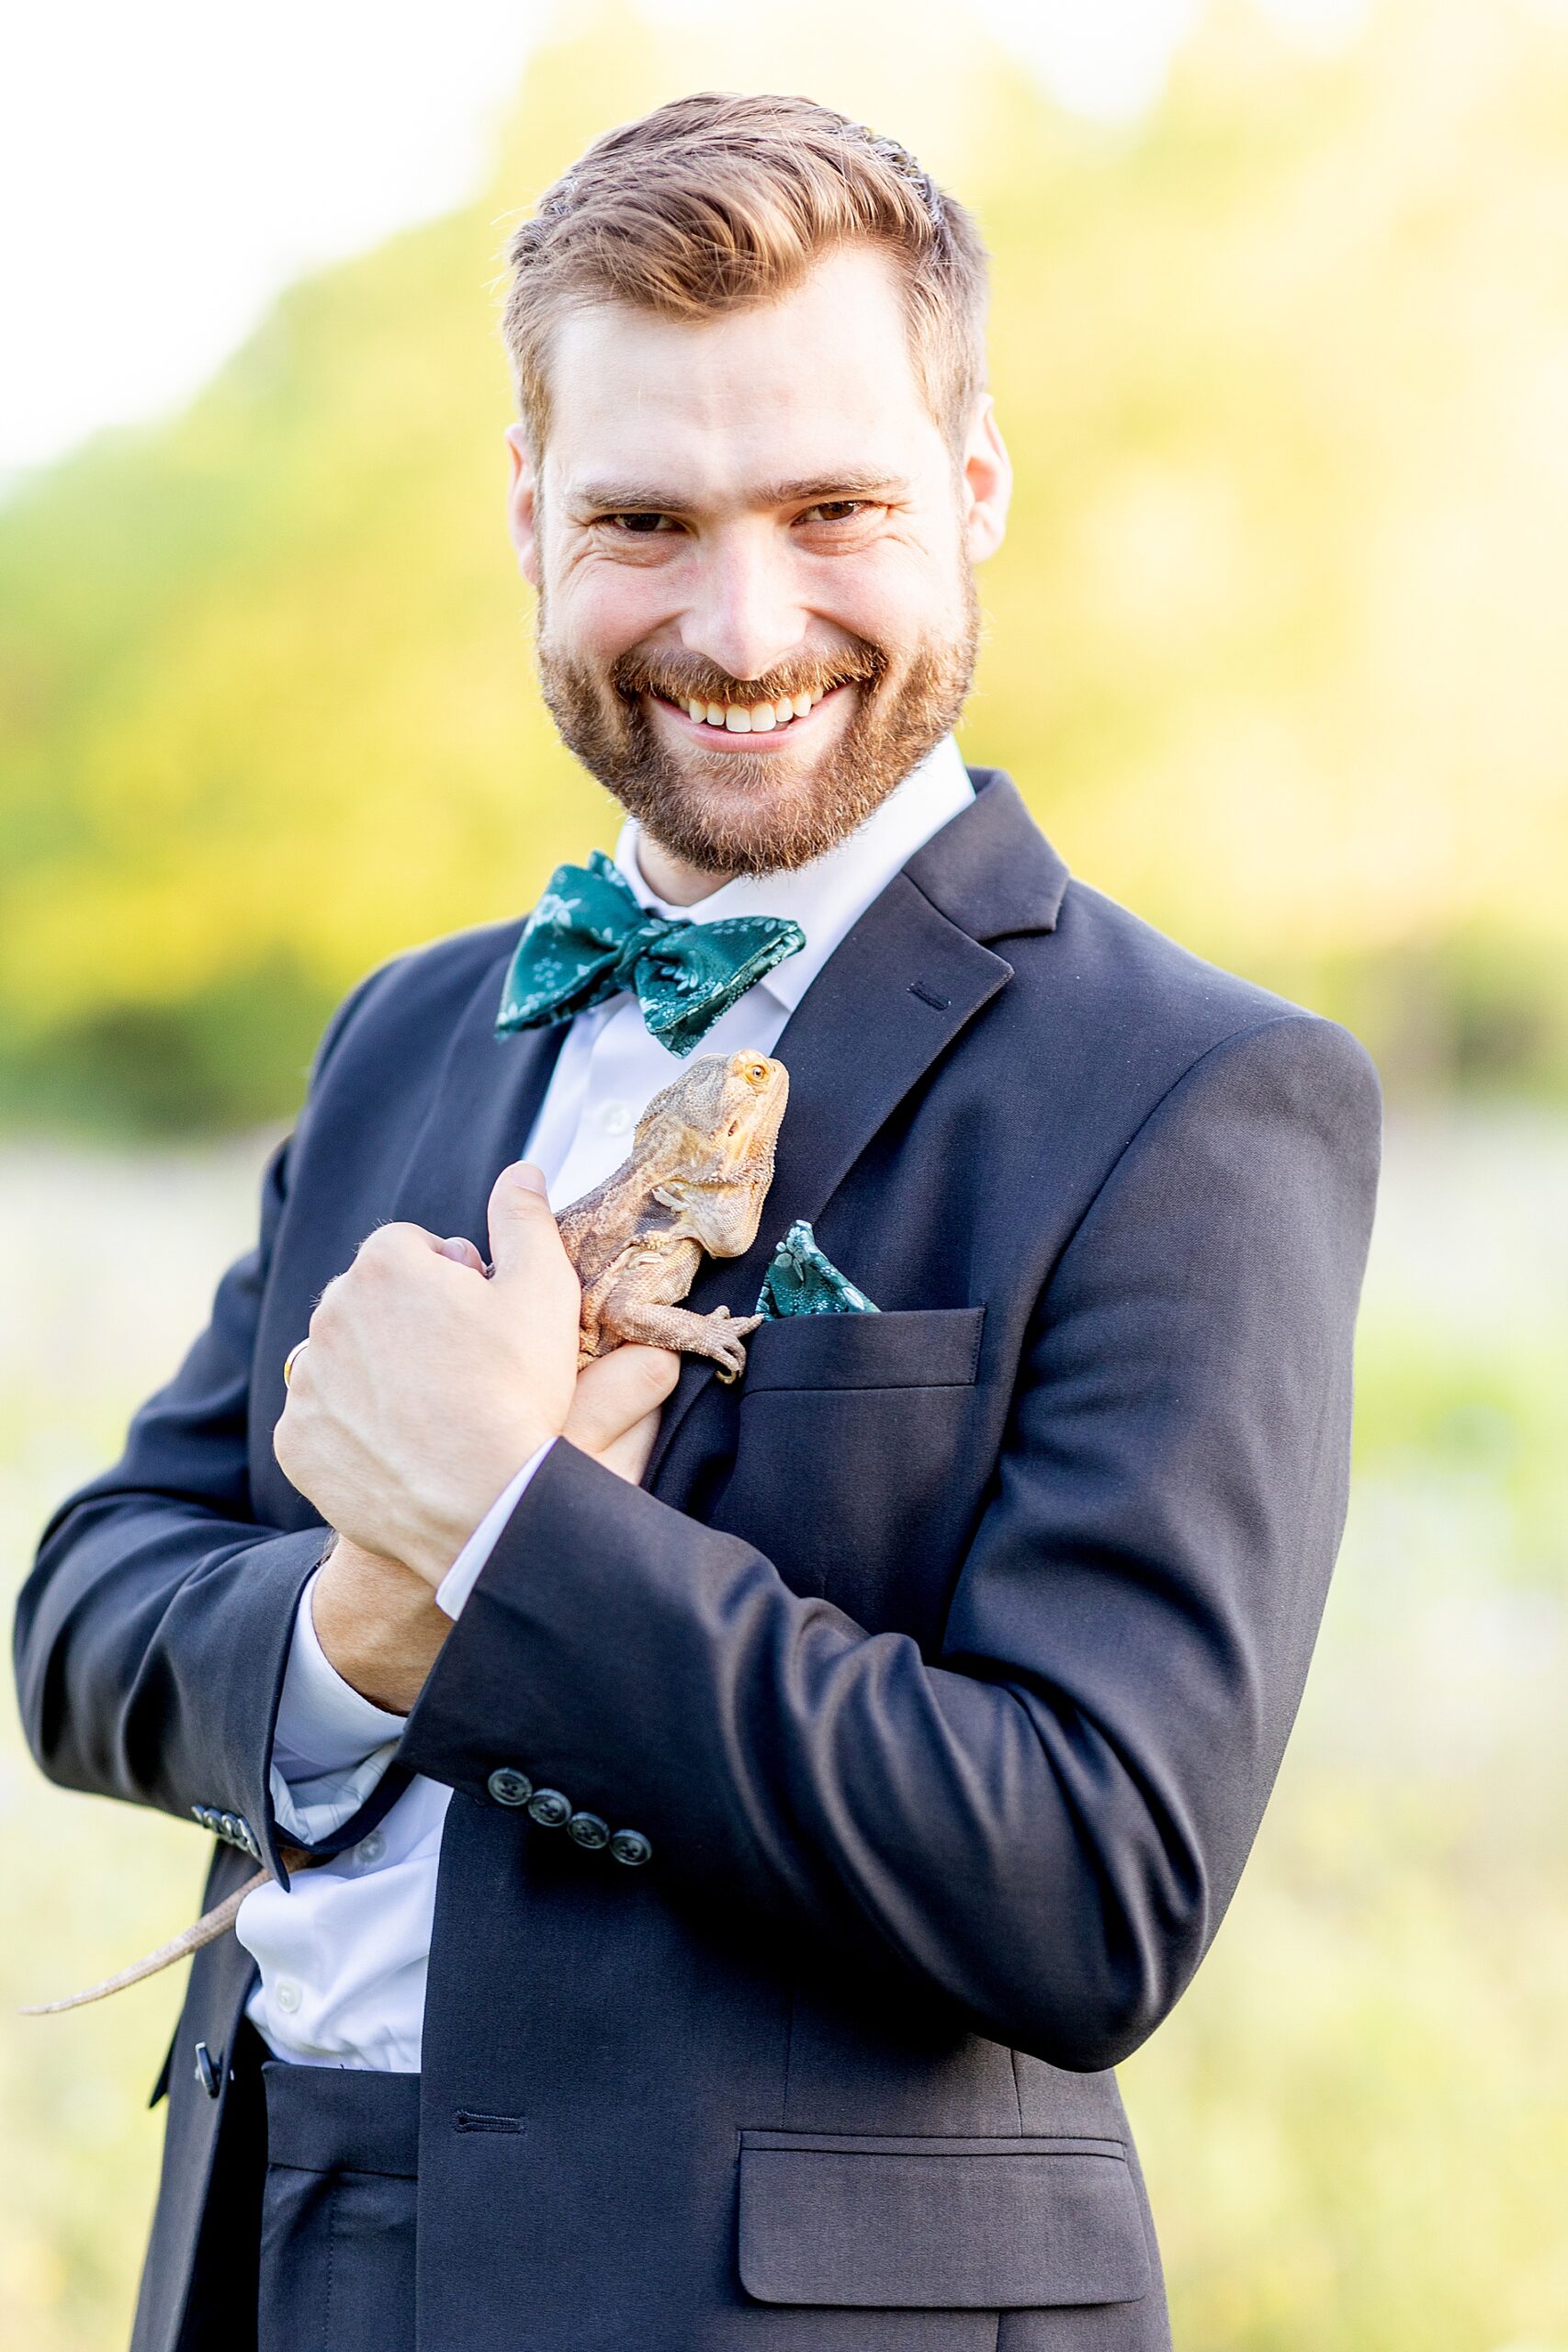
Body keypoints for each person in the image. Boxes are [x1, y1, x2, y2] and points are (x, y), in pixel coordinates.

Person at [14, 91, 1381, 2352]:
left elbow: (1086, 1881)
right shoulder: (406, 1031)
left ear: (971, 493)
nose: (742, 628)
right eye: (644, 517)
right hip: (272, 2257)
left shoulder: (1197, 1093)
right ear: (528, 515)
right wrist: (357, 1626)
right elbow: (88, 1608)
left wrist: (501, 1542)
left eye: (832, 506)